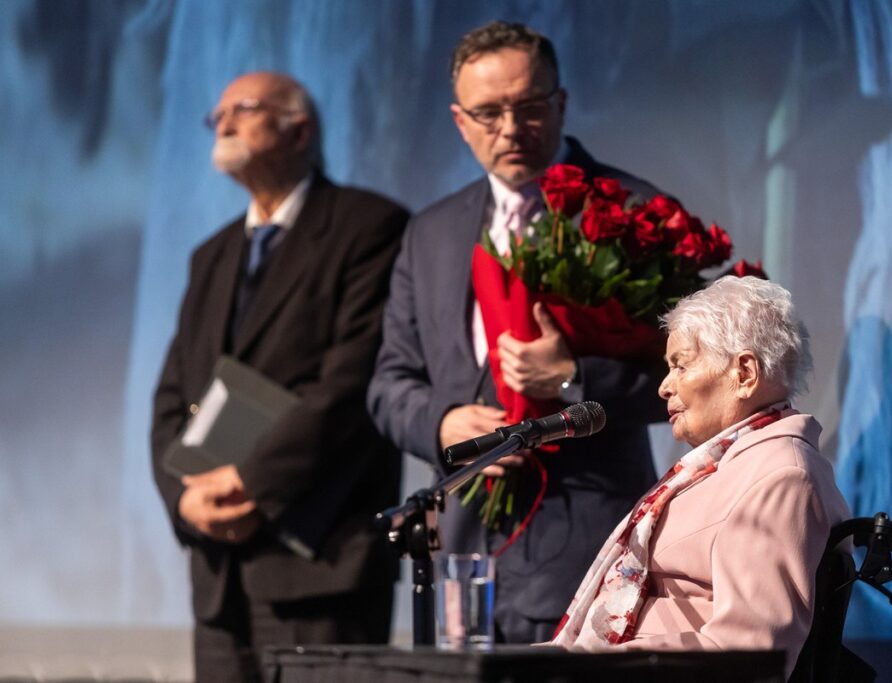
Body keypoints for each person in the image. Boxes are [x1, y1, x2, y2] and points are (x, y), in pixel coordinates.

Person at [367, 21, 666, 644]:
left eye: (528, 107)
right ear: (459, 120)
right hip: (462, 555)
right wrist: (444, 423)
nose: (509, 128)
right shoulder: (432, 230)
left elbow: (686, 375)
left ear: (560, 104)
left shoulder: (633, 213)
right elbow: (390, 383)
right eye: (488, 112)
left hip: (590, 545)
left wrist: (572, 379)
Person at [150, 71, 408, 682]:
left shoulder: (369, 227)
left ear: (299, 128)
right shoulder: (210, 255)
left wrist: (252, 484)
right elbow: (171, 396)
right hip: (218, 572)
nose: (224, 122)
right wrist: (185, 499)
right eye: (217, 115)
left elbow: (351, 384)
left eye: (243, 108)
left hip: (320, 559)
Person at [550, 276, 851, 679]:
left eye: (681, 365)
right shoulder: (726, 466)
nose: (663, 387)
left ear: (744, 373)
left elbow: (748, 653)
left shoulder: (781, 476)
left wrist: (589, 667)